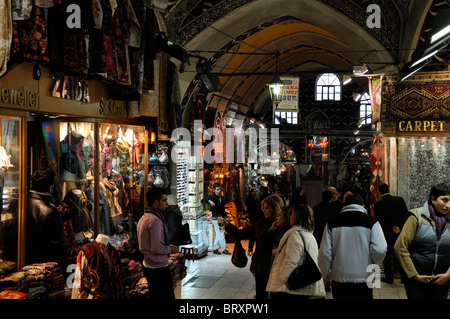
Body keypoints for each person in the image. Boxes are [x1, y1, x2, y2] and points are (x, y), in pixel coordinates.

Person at [318, 194, 387, 299]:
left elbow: (325, 252)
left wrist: (325, 274)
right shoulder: (372, 222)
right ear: (362, 206)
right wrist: (373, 262)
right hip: (365, 277)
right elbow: (380, 249)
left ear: (344, 206)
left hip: (339, 277)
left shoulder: (332, 223)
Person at [394, 183, 450, 299]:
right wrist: (414, 275)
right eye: (444, 200)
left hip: (442, 281)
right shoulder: (416, 217)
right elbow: (400, 247)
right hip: (417, 281)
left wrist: (448, 275)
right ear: (433, 199)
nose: (448, 205)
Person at [225, 194, 282, 299]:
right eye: (263, 208)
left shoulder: (282, 226)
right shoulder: (260, 224)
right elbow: (241, 234)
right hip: (261, 265)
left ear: (275, 209)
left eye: (267, 208)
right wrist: (227, 226)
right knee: (261, 293)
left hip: (277, 265)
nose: (264, 211)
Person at [266, 204, 326, 299]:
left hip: (293, 288)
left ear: (298, 216)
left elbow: (291, 261)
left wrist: (282, 279)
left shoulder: (295, 235)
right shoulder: (309, 235)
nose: (290, 216)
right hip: (304, 285)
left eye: (292, 213)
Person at [26, 168, 69, 272]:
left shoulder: (20, 203)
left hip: (22, 262)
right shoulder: (50, 211)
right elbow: (59, 246)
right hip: (43, 267)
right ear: (51, 187)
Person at [137, 187, 177, 299]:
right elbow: (156, 248)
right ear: (156, 202)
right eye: (164, 200)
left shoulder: (145, 217)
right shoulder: (154, 220)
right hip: (157, 267)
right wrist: (171, 249)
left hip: (149, 264)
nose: (167, 203)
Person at [373, 183, 409, 283]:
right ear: (388, 189)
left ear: (379, 191)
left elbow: (379, 220)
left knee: (387, 254)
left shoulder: (378, 203)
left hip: (386, 232)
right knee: (401, 253)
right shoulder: (399, 200)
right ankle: (403, 277)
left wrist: (390, 228)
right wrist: (398, 226)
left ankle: (389, 277)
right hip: (399, 231)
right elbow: (406, 214)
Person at [201, 183, 231, 255]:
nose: (219, 191)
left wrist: (225, 215)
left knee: (219, 233)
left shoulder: (222, 197)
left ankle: (215, 248)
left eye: (220, 189)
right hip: (215, 218)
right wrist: (209, 201)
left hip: (221, 218)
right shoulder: (212, 197)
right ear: (214, 190)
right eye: (217, 189)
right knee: (221, 233)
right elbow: (203, 200)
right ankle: (224, 249)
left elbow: (222, 208)